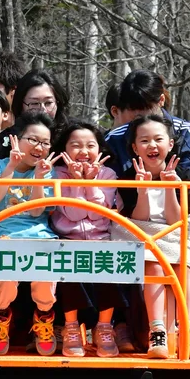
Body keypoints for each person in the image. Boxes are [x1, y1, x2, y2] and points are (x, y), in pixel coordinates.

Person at [114, 114, 190, 360]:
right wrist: (143, 190)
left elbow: (176, 221)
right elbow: (139, 219)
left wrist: (171, 188)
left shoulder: (185, 176)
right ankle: (156, 331)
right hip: (143, 234)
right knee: (153, 263)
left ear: (170, 144)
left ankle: (186, 331)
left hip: (176, 234)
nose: (152, 146)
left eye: (158, 139)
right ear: (134, 147)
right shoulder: (127, 178)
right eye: (144, 140)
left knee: (186, 266)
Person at [51, 121, 128, 358]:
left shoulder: (109, 174)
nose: (84, 151)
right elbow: (73, 213)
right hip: (68, 237)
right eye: (76, 145)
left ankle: (104, 326)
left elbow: (97, 213)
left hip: (100, 237)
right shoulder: (57, 174)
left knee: (109, 258)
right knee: (66, 259)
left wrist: (91, 183)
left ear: (100, 149)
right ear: (64, 148)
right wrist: (76, 183)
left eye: (90, 145)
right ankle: (71, 326)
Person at [0, 112, 61, 357]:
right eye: (34, 140)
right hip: (5, 233)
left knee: (45, 277)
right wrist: (10, 166)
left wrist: (39, 179)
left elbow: (37, 211)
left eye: (45, 142)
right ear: (16, 139)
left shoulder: (46, 172)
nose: (40, 147)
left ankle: (44, 316)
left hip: (39, 234)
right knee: (6, 279)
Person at [105, 70, 190, 182]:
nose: (139, 115)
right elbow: (107, 187)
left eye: (145, 108)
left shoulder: (186, 132)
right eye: (132, 109)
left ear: (161, 100)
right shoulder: (114, 138)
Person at [0, 69, 70, 158]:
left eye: (48, 103)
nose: (43, 110)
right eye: (34, 103)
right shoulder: (5, 141)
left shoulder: (70, 136)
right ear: (21, 105)